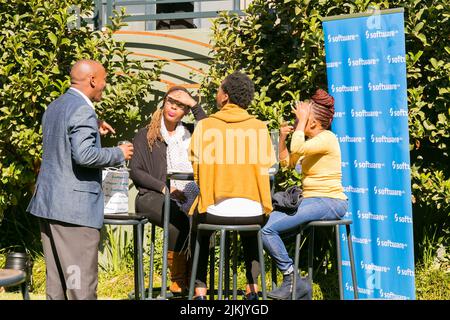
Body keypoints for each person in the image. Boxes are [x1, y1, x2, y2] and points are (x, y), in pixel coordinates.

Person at [27, 60, 134, 300]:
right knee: (79, 288)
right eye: (104, 79)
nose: (105, 85)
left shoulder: (55, 106)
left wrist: (94, 129)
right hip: (74, 214)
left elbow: (63, 142)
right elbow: (84, 155)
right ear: (93, 80)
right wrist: (119, 153)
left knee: (57, 288)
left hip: (50, 206)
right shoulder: (83, 109)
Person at [188, 71, 275, 300]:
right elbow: (267, 165)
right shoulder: (259, 127)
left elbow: (196, 170)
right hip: (253, 214)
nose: (217, 93)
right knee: (252, 225)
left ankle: (200, 291)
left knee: (199, 221)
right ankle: (252, 288)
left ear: (225, 96)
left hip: (215, 212)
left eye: (219, 89)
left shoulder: (205, 126)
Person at [261, 88, 347, 300]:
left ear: (313, 121)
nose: (298, 119)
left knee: (268, 229)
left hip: (330, 201)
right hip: (312, 201)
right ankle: (299, 286)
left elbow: (297, 145)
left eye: (304, 118)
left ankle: (292, 280)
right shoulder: (311, 145)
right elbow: (287, 163)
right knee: (265, 225)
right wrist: (282, 138)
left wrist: (300, 123)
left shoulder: (327, 138)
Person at [130, 86, 206, 295]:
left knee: (203, 221)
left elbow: (211, 131)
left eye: (181, 105)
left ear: (186, 111)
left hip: (191, 192)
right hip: (152, 195)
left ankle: (195, 282)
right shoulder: (147, 134)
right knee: (177, 220)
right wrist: (165, 187)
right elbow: (135, 171)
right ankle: (178, 280)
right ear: (163, 102)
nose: (174, 106)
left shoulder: (191, 131)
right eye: (171, 101)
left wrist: (194, 105)